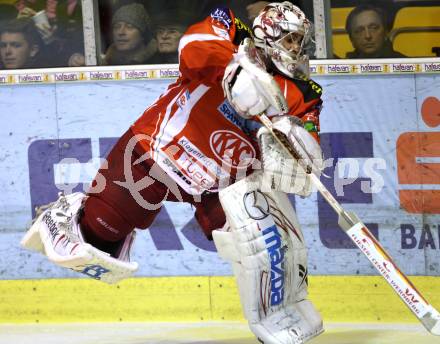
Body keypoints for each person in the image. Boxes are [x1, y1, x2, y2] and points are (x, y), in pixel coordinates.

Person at [21, 2, 324, 343]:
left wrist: (289, 141)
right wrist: (232, 71)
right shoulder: (232, 29)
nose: (296, 49)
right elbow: (191, 47)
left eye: (300, 42)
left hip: (221, 181)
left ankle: (280, 313)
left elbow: (302, 161)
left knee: (259, 241)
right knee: (97, 242)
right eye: (291, 40)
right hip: (157, 152)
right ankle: (65, 214)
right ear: (269, 36)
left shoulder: (304, 93)